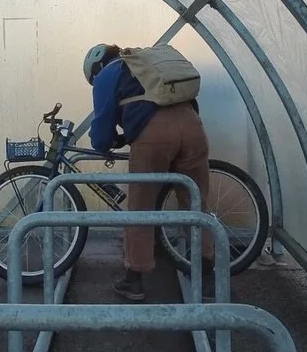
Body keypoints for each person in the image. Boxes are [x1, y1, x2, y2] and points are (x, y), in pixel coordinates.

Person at [83, 43, 214, 301]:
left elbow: (101, 128)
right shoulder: (146, 65)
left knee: (141, 208)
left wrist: (105, 143)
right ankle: (208, 277)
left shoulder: (108, 74)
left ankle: (134, 279)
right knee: (196, 204)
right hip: (193, 127)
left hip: (154, 134)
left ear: (96, 67)